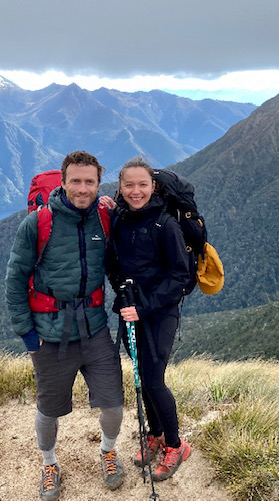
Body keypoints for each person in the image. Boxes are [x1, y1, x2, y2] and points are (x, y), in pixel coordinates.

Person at [5, 150, 125, 501]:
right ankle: (49, 463)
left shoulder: (104, 218)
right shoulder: (38, 223)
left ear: (98, 183)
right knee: (49, 408)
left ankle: (107, 451)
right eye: (76, 180)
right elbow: (15, 279)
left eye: (89, 181)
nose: (82, 188)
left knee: (114, 404)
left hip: (96, 329)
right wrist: (27, 335)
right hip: (50, 334)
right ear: (63, 181)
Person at [107, 156, 192, 481]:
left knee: (154, 381)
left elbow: (179, 278)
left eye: (142, 184)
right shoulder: (120, 219)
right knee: (142, 378)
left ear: (153, 186)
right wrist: (122, 290)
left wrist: (143, 307)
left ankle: (175, 445)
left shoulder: (165, 224)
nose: (136, 190)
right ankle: (155, 433)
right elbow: (113, 262)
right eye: (129, 185)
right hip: (130, 310)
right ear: (120, 187)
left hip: (159, 314)